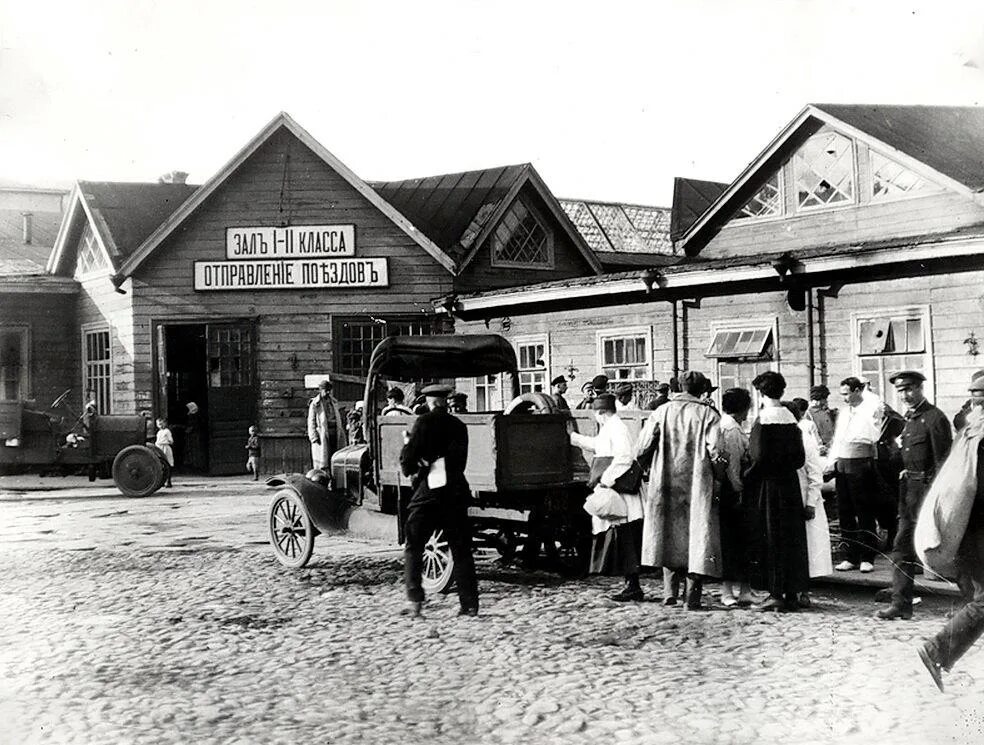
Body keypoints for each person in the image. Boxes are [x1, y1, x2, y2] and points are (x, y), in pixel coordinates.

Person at [915, 371, 984, 691]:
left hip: (965, 528)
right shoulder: (979, 436)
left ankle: (939, 651)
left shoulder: (969, 430)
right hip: (975, 530)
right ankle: (936, 649)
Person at [636, 370, 722, 610]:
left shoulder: (661, 412)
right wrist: (721, 474)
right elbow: (715, 449)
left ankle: (668, 593)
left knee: (668, 533)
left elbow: (642, 446)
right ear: (701, 390)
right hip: (697, 482)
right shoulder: (708, 414)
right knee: (697, 535)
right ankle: (692, 597)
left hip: (665, 482)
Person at [875, 371, 952, 621]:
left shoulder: (934, 418)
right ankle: (901, 604)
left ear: (920, 388)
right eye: (900, 391)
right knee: (901, 549)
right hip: (909, 494)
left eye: (909, 389)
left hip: (928, 494)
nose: (905, 395)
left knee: (947, 550)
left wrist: (937, 500)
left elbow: (943, 463)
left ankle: (974, 604)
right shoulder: (908, 419)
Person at [399, 384, 478, 618]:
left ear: (429, 402)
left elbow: (407, 462)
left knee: (413, 544)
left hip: (429, 493)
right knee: (462, 550)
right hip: (455, 493)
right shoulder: (459, 426)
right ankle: (469, 605)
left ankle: (414, 602)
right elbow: (459, 463)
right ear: (446, 401)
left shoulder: (423, 422)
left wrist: (416, 461)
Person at [570, 393, 645, 601]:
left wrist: (607, 480)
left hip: (620, 491)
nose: (596, 418)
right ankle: (631, 585)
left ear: (601, 412)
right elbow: (599, 445)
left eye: (596, 414)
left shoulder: (617, 428)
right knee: (621, 537)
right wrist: (575, 439)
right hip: (616, 491)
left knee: (625, 537)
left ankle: (633, 586)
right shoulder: (611, 427)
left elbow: (624, 457)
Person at [744, 373, 808, 612]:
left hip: (768, 487)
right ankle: (791, 593)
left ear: (760, 393)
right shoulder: (791, 419)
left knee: (771, 536)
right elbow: (800, 459)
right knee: (790, 538)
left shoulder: (762, 420)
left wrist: (748, 476)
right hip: (789, 485)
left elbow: (757, 458)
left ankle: (775, 593)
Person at [826, 376, 881, 573]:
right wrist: (831, 463)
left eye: (847, 394)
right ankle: (850, 556)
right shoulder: (843, 412)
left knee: (864, 510)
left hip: (861, 463)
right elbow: (838, 440)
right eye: (842, 395)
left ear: (858, 391)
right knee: (845, 511)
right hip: (842, 462)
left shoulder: (871, 408)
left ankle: (868, 557)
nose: (844, 398)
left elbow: (874, 434)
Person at [787, 399, 833, 606]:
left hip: (806, 498)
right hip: (790, 499)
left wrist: (811, 503)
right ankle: (795, 590)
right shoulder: (785, 438)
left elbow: (815, 474)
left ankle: (804, 591)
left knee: (807, 547)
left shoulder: (804, 439)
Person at [717, 388, 755, 607]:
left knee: (734, 544)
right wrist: (740, 490)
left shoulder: (727, 426)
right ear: (742, 409)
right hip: (733, 493)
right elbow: (732, 467)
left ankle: (741, 591)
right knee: (734, 544)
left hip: (729, 492)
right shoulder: (731, 430)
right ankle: (729, 591)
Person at [307, 379, 347, 470]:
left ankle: (335, 479)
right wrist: (313, 436)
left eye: (329, 390)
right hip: (322, 435)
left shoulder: (333, 402)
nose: (328, 392)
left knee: (335, 458)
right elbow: (311, 421)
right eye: (326, 390)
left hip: (335, 433)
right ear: (320, 390)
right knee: (324, 460)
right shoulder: (315, 404)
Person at [807, 385, 837, 455]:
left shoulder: (827, 412)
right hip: (821, 448)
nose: (826, 401)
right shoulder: (809, 413)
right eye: (825, 399)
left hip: (831, 446)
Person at [183, 401, 205, 472]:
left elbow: (193, 425)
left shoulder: (194, 416)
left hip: (194, 435)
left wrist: (187, 430)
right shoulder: (192, 415)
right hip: (193, 434)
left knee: (195, 450)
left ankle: (196, 466)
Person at [155, 417, 174, 488]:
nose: (160, 425)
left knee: (168, 463)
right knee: (160, 464)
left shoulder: (167, 431)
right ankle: (161, 481)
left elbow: (171, 441)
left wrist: (165, 442)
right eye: (158, 424)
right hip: (159, 448)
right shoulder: (159, 432)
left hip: (165, 448)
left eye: (161, 423)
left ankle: (168, 481)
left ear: (165, 423)